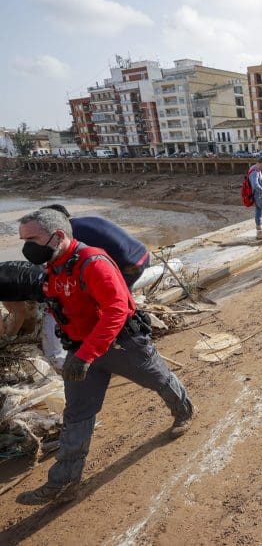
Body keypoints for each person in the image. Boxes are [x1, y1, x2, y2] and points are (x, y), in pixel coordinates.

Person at [15, 209, 193, 505]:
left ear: (58, 236)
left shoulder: (93, 263)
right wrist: (76, 350)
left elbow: (116, 311)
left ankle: (183, 410)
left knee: (159, 379)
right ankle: (64, 483)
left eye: (31, 239)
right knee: (77, 414)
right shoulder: (54, 265)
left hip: (121, 344)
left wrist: (85, 354)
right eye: (22, 240)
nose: (26, 247)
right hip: (82, 350)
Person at [40, 204, 150, 289]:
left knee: (104, 297)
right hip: (142, 254)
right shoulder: (84, 221)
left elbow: (67, 265)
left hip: (130, 265)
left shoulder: (70, 235)